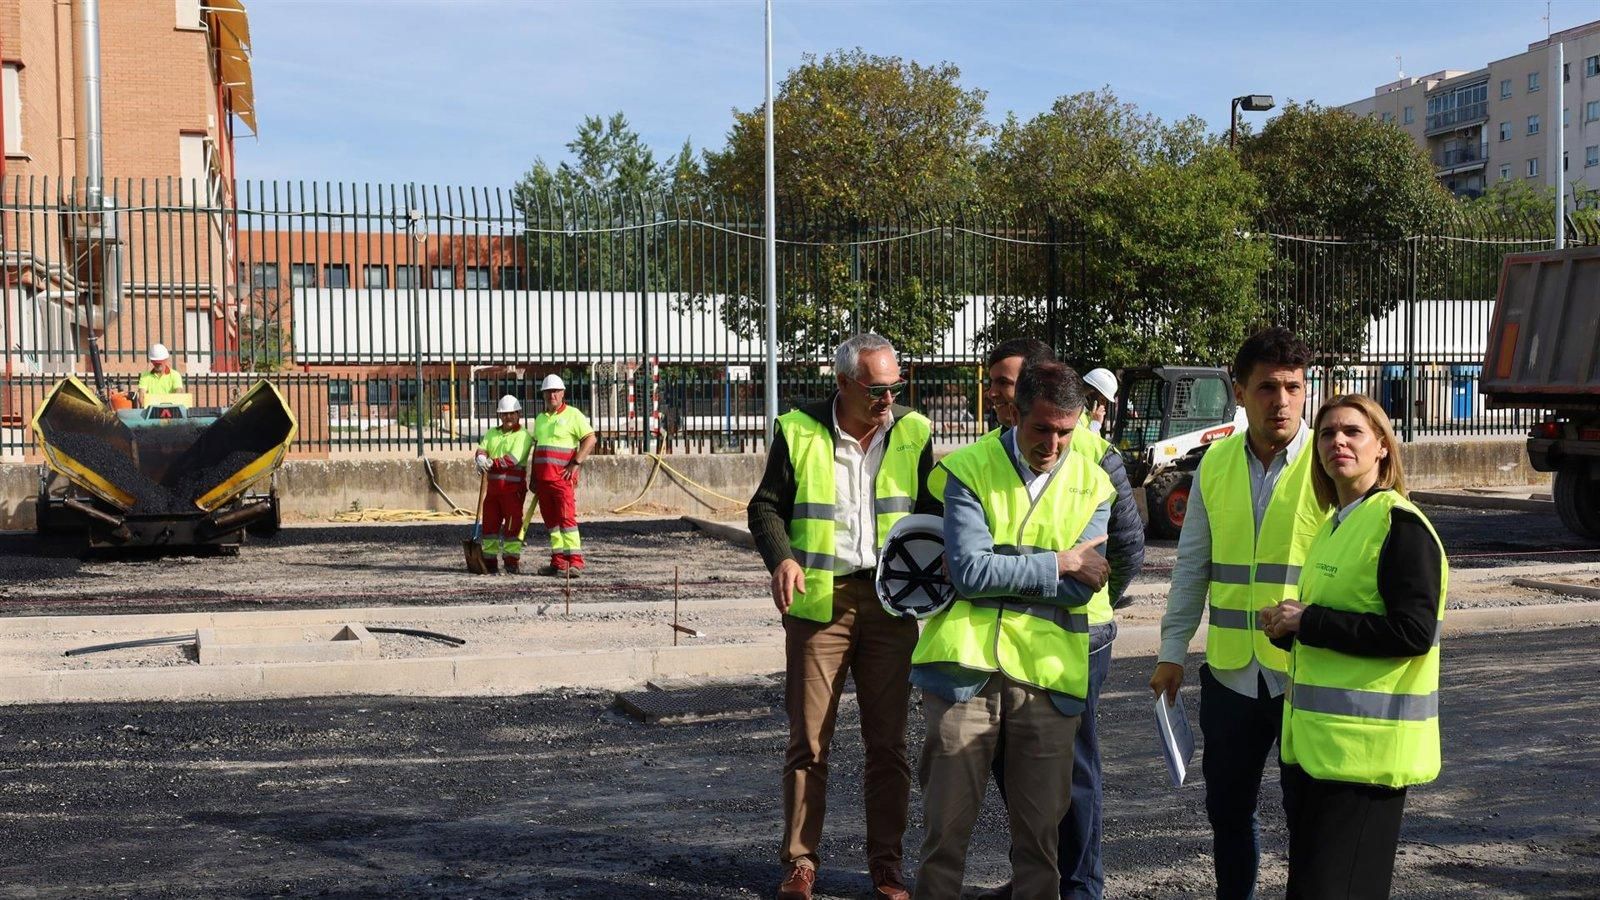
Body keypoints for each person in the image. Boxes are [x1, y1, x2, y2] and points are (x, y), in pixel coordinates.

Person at [747, 333, 939, 900]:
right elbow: (765, 506)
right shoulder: (798, 429)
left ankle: (886, 867)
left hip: (891, 604)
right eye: (876, 390)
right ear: (843, 383)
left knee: (889, 745)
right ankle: (800, 864)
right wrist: (781, 558)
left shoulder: (914, 431)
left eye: (893, 388)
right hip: (818, 608)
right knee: (809, 742)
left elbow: (930, 512)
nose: (887, 400)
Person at [912, 361, 1113, 900]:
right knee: (943, 839)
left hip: (1048, 682)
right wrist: (1058, 563)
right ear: (1015, 414)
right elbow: (972, 573)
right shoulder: (970, 466)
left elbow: (1083, 586)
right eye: (1041, 428)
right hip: (963, 674)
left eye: (1066, 432)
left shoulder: (1095, 483)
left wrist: (1011, 564)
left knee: (1039, 846)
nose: (1053, 443)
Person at [1148, 326, 1327, 900]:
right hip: (1229, 674)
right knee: (1229, 811)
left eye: (1294, 388)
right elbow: (1192, 566)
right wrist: (1172, 653)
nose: (1283, 402)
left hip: (1307, 669)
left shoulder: (1331, 461)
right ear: (1239, 390)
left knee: (1310, 816)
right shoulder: (1216, 463)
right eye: (1268, 388)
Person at [965, 345, 1144, 900]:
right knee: (1018, 765)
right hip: (1010, 632)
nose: (1000, 394)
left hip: (1078, 634)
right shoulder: (984, 456)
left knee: (1073, 769)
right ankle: (1038, 875)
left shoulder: (1093, 450)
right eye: (995, 383)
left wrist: (1092, 598)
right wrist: (1048, 573)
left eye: (1009, 383)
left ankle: (1080, 886)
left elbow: (1128, 546)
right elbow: (971, 561)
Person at [1261, 395, 1446, 900]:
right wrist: (1289, 627)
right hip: (1320, 754)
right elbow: (1335, 628)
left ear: (1383, 447)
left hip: (1364, 760)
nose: (1336, 442)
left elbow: (1412, 633)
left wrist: (1311, 621)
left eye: (1352, 432)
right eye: (1325, 434)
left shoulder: (1400, 527)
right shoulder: (1335, 525)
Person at [531, 374, 597, 576]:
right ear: (543, 394)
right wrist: (533, 477)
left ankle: (574, 562)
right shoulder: (541, 419)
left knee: (567, 520)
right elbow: (538, 448)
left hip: (562, 480)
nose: (552, 395)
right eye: (548, 391)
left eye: (555, 391)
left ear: (562, 393)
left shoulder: (573, 415)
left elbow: (590, 439)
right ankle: (558, 562)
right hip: (543, 481)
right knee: (552, 524)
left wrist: (575, 463)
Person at [473, 395, 533, 575]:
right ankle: (490, 561)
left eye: (511, 414)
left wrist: (491, 463)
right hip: (493, 491)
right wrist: (480, 457)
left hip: (512, 492)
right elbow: (482, 447)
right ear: (499, 416)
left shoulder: (523, 436)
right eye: (504, 414)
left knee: (512, 526)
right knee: (490, 525)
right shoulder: (492, 433)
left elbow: (513, 459)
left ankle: (511, 562)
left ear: (519, 414)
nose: (508, 417)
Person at [1081, 368, 1118, 437]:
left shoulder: (1089, 416)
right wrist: (1095, 425)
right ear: (1090, 394)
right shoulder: (1074, 414)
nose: (1103, 406)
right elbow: (1086, 444)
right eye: (1102, 400)